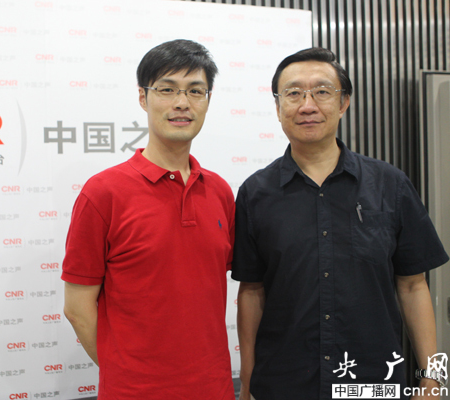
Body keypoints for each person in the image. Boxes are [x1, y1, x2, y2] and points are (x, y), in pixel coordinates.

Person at [233, 47, 449, 400]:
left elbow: (414, 286)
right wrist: (247, 385)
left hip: (373, 384)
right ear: (278, 106)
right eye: (293, 93)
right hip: (284, 385)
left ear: (344, 102)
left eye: (322, 91)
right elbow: (252, 291)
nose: (307, 105)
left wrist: (434, 377)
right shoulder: (255, 193)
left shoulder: (390, 184)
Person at [62, 39, 236, 400]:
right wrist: (127, 374)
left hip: (214, 388)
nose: (182, 103)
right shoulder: (103, 192)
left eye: (195, 91)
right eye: (167, 89)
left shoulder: (219, 191)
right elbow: (77, 309)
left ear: (208, 99)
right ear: (143, 97)